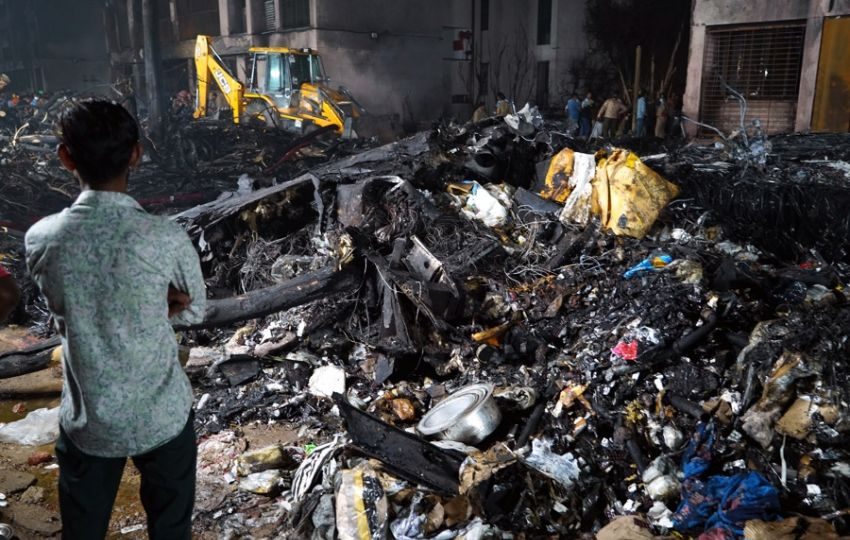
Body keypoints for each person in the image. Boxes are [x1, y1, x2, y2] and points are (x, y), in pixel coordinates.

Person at [25, 99, 207, 539]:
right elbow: (196, 310)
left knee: (83, 530)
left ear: (66, 156)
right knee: (170, 528)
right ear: (136, 154)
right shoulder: (165, 237)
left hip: (91, 423)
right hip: (162, 416)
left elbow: (65, 303)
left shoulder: (42, 238)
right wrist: (156, 299)